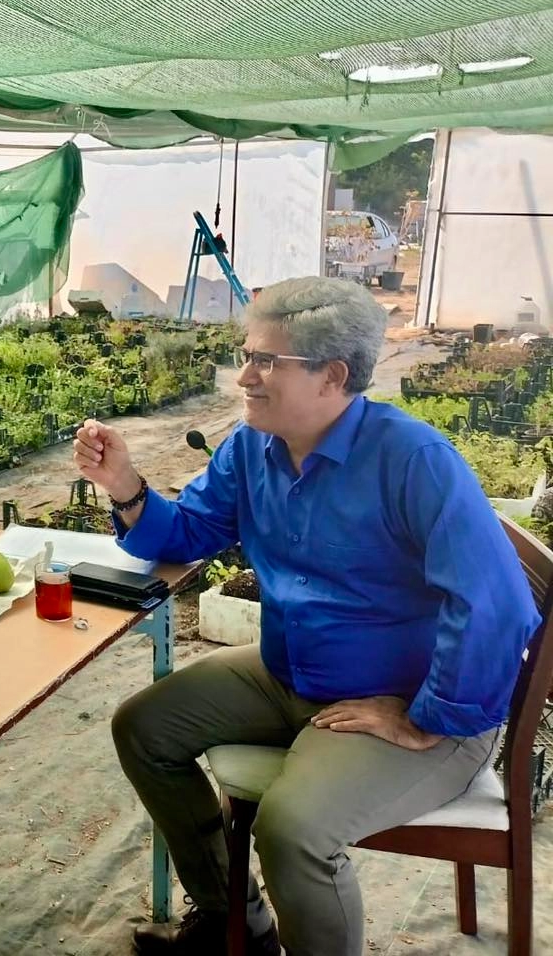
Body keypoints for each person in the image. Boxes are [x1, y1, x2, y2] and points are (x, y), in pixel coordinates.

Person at [74, 277, 540, 956]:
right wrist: (124, 485)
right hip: (293, 673)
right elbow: (189, 533)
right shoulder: (251, 449)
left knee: (292, 830)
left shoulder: (412, 460)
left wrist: (425, 717)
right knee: (144, 728)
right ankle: (236, 924)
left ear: (334, 375)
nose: (244, 377)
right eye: (247, 355)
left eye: (267, 361)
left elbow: (496, 607)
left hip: (413, 704)